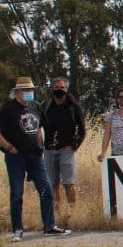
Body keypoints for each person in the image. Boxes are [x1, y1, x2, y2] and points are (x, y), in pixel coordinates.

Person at [0, 77, 71, 242]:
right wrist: (9, 147)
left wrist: (40, 144)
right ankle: (17, 230)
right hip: (16, 157)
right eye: (25, 90)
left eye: (31, 90)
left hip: (35, 157)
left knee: (46, 190)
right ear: (17, 92)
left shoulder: (36, 106)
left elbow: (40, 126)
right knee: (17, 194)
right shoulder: (8, 108)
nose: (29, 93)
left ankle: (49, 226)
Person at [41, 76, 86, 209]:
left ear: (66, 90)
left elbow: (82, 130)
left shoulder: (74, 107)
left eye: (62, 88)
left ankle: (72, 211)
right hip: (49, 149)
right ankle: (57, 215)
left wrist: (75, 146)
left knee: (68, 183)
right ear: (52, 89)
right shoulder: (46, 106)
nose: (59, 90)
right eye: (56, 87)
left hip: (67, 149)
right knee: (52, 184)